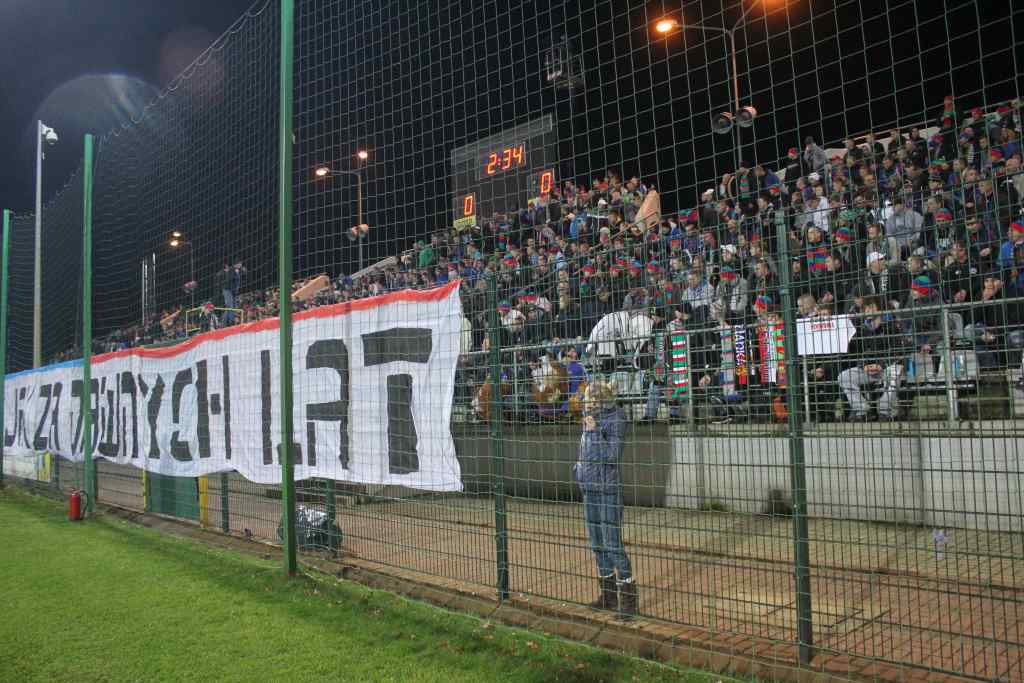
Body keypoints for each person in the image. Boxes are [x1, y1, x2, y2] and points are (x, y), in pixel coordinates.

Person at [573, 380, 636, 618]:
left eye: (589, 402)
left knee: (613, 545)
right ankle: (608, 597)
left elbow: (612, 455)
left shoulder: (616, 418)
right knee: (597, 545)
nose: (586, 406)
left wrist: (594, 431)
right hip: (589, 489)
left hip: (608, 490)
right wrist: (578, 472)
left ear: (599, 402)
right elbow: (586, 452)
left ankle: (629, 603)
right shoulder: (592, 417)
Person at [838, 298, 906, 421]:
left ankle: (885, 411)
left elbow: (898, 352)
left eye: (871, 307)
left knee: (896, 371)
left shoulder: (892, 326)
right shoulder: (862, 330)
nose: (867, 310)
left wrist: (881, 365)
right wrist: (864, 365)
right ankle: (862, 410)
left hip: (886, 368)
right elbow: (859, 353)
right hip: (869, 369)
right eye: (866, 308)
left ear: (880, 309)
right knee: (844, 376)